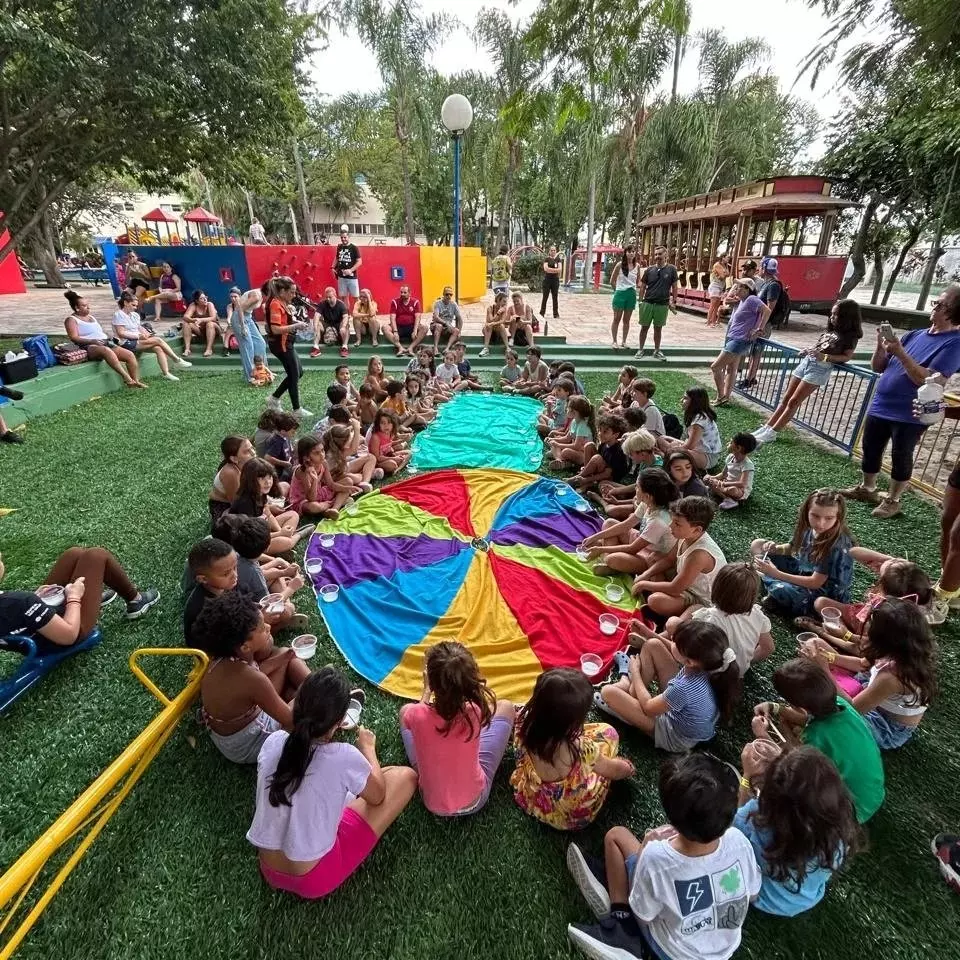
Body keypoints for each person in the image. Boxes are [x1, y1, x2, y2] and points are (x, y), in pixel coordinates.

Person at [566, 753, 759, 960]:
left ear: (671, 815)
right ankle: (615, 880)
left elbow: (643, 915)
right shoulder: (740, 842)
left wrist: (645, 849)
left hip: (671, 952)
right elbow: (753, 895)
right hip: (723, 951)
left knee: (616, 836)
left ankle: (621, 926)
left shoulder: (656, 857)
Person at [247, 668, 418, 899]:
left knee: (365, 782)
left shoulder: (274, 742)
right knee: (404, 777)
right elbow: (377, 796)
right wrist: (368, 749)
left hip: (270, 869)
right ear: (338, 722)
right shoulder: (342, 757)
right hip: (314, 878)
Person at [842, 284, 960, 519]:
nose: (934, 307)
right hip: (882, 404)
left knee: (901, 454)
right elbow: (879, 367)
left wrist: (900, 353)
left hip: (911, 412)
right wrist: (881, 346)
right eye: (935, 302)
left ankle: (893, 500)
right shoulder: (914, 334)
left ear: (953, 311)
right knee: (870, 449)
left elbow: (929, 380)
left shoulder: (954, 343)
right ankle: (868, 488)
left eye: (939, 304)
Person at [734, 746, 861, 916]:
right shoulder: (839, 831)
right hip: (805, 898)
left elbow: (731, 829)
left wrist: (747, 777)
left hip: (763, 896)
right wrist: (784, 761)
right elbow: (805, 793)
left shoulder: (757, 818)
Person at [756, 658, 885, 822]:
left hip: (850, 812)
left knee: (785, 788)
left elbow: (794, 758)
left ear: (801, 707)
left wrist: (765, 734)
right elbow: (805, 719)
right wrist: (775, 707)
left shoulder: (816, 736)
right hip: (874, 794)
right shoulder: (841, 704)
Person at [799, 597, 936, 750]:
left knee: (824, 720)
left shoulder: (891, 677)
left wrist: (824, 669)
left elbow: (851, 709)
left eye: (870, 631)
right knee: (816, 644)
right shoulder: (904, 650)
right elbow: (861, 664)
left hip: (884, 725)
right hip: (874, 694)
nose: (865, 635)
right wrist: (828, 657)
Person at [398, 642, 514, 817]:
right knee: (507, 707)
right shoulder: (476, 710)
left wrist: (426, 692)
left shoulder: (416, 714)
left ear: (430, 680)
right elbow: (490, 709)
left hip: (431, 802)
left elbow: (412, 715)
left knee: (404, 711)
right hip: (475, 801)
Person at [193, 591, 310, 763]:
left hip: (235, 728)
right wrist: (309, 691)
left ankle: (305, 687)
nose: (269, 628)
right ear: (245, 647)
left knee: (286, 654)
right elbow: (291, 721)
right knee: (311, 698)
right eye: (263, 628)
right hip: (250, 743)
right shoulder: (252, 679)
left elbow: (258, 671)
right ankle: (328, 691)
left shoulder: (222, 659)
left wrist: (284, 658)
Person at [510, 668, 634, 831]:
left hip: (531, 793)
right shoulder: (579, 748)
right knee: (609, 733)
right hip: (567, 813)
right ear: (569, 724)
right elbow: (613, 771)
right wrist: (627, 768)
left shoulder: (522, 720)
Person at [596, 621, 741, 750]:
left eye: (677, 642)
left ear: (689, 662)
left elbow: (648, 707)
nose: (671, 640)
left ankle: (625, 689)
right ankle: (629, 690)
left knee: (608, 692)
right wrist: (650, 633)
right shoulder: (712, 665)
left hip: (672, 734)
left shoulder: (683, 688)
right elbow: (675, 649)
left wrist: (635, 672)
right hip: (679, 711)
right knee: (653, 644)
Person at [0, 547, 158, 649]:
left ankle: (92, 597)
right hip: (59, 636)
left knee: (74, 554)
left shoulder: (19, 601)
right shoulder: (22, 601)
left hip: (30, 634)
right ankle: (136, 600)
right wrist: (74, 598)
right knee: (96, 555)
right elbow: (69, 635)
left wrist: (36, 600)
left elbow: (14, 615)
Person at [753, 299, 863, 444]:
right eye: (832, 314)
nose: (832, 317)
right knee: (786, 398)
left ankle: (773, 431)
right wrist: (809, 350)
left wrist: (824, 357)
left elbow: (846, 357)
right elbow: (821, 346)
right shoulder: (831, 330)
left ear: (847, 317)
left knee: (794, 401)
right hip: (808, 362)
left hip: (820, 368)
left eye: (836, 315)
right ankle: (767, 426)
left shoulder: (851, 336)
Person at [752, 488, 854, 617]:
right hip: (803, 571)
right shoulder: (806, 526)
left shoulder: (836, 545)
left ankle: (769, 581)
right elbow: (791, 547)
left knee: (780, 589)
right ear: (807, 512)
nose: (820, 523)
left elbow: (815, 582)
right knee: (758, 545)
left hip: (822, 593)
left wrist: (776, 573)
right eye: (815, 516)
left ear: (838, 517)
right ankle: (768, 580)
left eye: (829, 518)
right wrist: (776, 548)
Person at [631, 496, 727, 618]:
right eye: (672, 521)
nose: (671, 526)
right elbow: (669, 560)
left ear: (697, 530)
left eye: (677, 524)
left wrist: (644, 584)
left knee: (655, 600)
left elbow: (675, 588)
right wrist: (646, 575)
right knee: (654, 558)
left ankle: (668, 613)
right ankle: (664, 608)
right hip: (682, 583)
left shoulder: (699, 555)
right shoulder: (686, 536)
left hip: (699, 598)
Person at [583, 468, 678, 577]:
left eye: (637, 486)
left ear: (648, 496)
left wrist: (601, 549)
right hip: (640, 541)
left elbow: (633, 548)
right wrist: (594, 537)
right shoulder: (647, 503)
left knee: (613, 559)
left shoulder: (658, 521)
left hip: (651, 557)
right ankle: (610, 563)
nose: (635, 489)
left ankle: (610, 562)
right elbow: (626, 525)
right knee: (609, 523)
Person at [689, 562, 774, 675]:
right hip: (738, 672)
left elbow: (691, 651)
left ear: (717, 587)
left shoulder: (708, 619)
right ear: (752, 595)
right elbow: (768, 647)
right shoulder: (758, 615)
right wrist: (747, 662)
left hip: (710, 677)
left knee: (674, 623)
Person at [229, 458, 312, 555]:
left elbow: (269, 515)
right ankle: (298, 535)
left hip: (261, 530)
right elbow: (252, 536)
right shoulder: (245, 503)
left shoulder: (260, 493)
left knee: (293, 514)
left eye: (269, 477)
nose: (267, 482)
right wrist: (280, 534)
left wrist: (280, 530)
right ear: (249, 480)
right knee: (287, 542)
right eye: (261, 478)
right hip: (250, 544)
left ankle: (285, 538)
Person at [63, 291, 146, 388]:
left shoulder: (91, 317)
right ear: (77, 308)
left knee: (129, 355)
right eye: (84, 306)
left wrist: (110, 336)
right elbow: (74, 337)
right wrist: (92, 341)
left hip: (104, 343)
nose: (88, 307)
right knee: (107, 351)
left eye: (88, 305)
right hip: (89, 346)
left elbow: (100, 331)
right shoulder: (71, 320)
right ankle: (127, 379)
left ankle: (136, 381)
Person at [709, 277, 771, 405]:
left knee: (715, 367)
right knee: (731, 369)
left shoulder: (751, 299)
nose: (737, 288)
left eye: (740, 286)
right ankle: (725, 396)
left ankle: (721, 396)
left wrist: (759, 328)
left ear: (748, 289)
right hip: (735, 337)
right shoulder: (742, 301)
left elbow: (767, 310)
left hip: (740, 340)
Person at [112, 290, 191, 381]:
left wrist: (145, 332)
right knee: (158, 340)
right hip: (126, 342)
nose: (135, 308)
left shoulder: (134, 315)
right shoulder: (119, 315)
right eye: (133, 305)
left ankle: (166, 373)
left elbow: (138, 327)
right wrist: (138, 336)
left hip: (137, 341)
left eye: (136, 306)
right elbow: (121, 333)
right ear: (125, 303)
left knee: (158, 348)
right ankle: (177, 360)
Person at [264, 276, 312, 419]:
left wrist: (298, 322)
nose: (294, 295)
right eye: (291, 292)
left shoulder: (282, 302)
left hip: (287, 343)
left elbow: (286, 320)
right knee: (293, 374)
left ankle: (274, 398)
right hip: (281, 345)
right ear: (283, 291)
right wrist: (296, 325)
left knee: (298, 372)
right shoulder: (275, 304)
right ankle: (296, 409)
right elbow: (276, 329)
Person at [737, 256, 784, 389]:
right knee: (753, 350)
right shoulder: (765, 283)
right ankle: (750, 377)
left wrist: (760, 327)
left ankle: (750, 379)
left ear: (764, 268)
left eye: (761, 267)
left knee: (757, 352)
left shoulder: (773, 285)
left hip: (763, 325)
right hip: (758, 323)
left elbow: (770, 307)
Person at [657, 387, 722, 471]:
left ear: (694, 401)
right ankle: (667, 454)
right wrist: (676, 446)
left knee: (674, 450)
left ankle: (664, 456)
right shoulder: (698, 415)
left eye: (685, 398)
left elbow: (689, 446)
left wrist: (674, 448)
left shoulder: (698, 422)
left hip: (707, 457)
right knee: (661, 438)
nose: (681, 400)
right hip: (697, 450)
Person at [634, 246, 678, 361]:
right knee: (644, 327)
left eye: (659, 254)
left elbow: (674, 286)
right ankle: (640, 349)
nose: (657, 257)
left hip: (662, 304)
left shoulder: (672, 269)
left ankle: (657, 350)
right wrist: (640, 301)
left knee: (658, 329)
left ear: (665, 255)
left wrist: (674, 301)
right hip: (648, 302)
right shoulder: (649, 270)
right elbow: (643, 285)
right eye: (656, 254)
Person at [289, 435, 347, 518]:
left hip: (318, 493)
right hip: (304, 501)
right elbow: (311, 499)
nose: (322, 455)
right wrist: (315, 480)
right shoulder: (303, 471)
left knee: (347, 482)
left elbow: (331, 484)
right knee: (315, 507)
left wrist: (348, 488)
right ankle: (336, 502)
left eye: (322, 450)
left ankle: (334, 509)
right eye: (316, 453)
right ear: (306, 457)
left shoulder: (324, 463)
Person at [570, 413, 630, 491]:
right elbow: (597, 463)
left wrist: (587, 479)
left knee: (597, 458)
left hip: (611, 478)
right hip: (602, 470)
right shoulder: (604, 444)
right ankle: (585, 477)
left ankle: (579, 478)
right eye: (600, 430)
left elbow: (608, 473)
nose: (600, 434)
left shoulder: (618, 451)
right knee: (589, 445)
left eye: (605, 432)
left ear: (616, 435)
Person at [209, 435, 256, 529]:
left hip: (243, 500)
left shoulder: (248, 464)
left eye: (252, 448)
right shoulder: (230, 473)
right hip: (223, 506)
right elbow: (237, 505)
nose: (253, 453)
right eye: (247, 451)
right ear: (234, 459)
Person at [225, 286, 269, 383]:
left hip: (248, 318)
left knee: (261, 343)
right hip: (238, 318)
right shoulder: (256, 295)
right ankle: (250, 377)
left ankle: (263, 371)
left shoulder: (260, 295)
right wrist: (242, 326)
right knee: (247, 346)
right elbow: (239, 308)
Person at [704, 432, 757, 510]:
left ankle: (721, 493)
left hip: (740, 490)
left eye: (731, 442)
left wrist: (723, 484)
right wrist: (712, 477)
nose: (728, 443)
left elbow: (742, 484)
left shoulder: (747, 465)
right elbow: (723, 474)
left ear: (738, 448)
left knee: (732, 490)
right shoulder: (730, 457)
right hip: (726, 483)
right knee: (707, 479)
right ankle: (727, 498)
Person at [548, 397, 595, 470]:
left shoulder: (582, 426)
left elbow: (577, 446)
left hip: (583, 455)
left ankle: (562, 460)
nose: (566, 409)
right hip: (576, 450)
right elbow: (567, 438)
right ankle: (560, 460)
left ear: (574, 412)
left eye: (568, 408)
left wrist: (558, 444)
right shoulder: (574, 421)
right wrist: (553, 440)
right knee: (557, 439)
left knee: (566, 451)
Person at [609, 245, 640, 350]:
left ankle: (624, 341)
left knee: (627, 320)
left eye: (633, 251)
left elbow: (638, 281)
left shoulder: (637, 266)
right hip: (620, 293)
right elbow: (612, 281)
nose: (631, 253)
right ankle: (614, 341)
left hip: (631, 294)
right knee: (616, 319)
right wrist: (617, 291)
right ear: (625, 253)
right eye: (629, 251)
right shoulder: (619, 265)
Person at [383, 285, 425, 356]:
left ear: (409, 293)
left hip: (411, 327)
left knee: (424, 328)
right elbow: (392, 318)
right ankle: (400, 348)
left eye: (405, 292)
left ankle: (411, 348)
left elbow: (418, 317)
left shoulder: (415, 302)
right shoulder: (395, 302)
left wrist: (415, 331)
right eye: (401, 292)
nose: (402, 294)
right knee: (385, 328)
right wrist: (395, 331)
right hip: (399, 327)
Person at [310, 286, 351, 359]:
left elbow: (345, 317)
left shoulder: (341, 304)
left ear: (335, 295)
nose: (328, 299)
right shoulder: (322, 303)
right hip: (327, 324)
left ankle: (344, 347)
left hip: (338, 325)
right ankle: (316, 347)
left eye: (330, 297)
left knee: (346, 324)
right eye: (326, 297)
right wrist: (315, 326)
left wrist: (343, 327)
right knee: (317, 324)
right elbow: (316, 315)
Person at [181, 290, 224, 357]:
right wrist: (193, 320)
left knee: (210, 323)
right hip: (201, 331)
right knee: (186, 323)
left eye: (205, 297)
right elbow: (185, 317)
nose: (205, 299)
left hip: (215, 329)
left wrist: (201, 320)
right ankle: (187, 349)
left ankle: (209, 349)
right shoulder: (193, 305)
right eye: (202, 298)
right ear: (197, 301)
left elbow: (213, 318)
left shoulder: (210, 304)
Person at [369, 409, 410, 475]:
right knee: (392, 464)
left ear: (393, 423)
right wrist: (394, 458)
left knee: (410, 453)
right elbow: (377, 458)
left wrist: (402, 440)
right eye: (383, 423)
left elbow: (388, 444)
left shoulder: (391, 433)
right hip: (378, 462)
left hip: (388, 455)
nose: (386, 425)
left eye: (389, 422)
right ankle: (397, 467)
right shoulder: (376, 437)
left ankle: (397, 469)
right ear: (378, 424)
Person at [332, 225, 362, 311]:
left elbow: (359, 261)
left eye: (345, 237)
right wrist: (332, 267)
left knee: (356, 297)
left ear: (348, 237)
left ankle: (358, 316)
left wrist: (351, 270)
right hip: (341, 277)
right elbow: (337, 258)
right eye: (342, 238)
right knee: (343, 297)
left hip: (352, 277)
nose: (343, 239)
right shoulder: (339, 247)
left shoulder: (354, 247)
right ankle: (346, 315)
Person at [430, 286, 462, 351]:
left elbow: (460, 318)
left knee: (456, 331)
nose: (449, 296)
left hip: (447, 328)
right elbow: (436, 317)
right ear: (443, 294)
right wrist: (446, 323)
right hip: (436, 325)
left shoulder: (454, 304)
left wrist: (459, 331)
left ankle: (447, 348)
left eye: (451, 294)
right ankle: (435, 348)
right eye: (447, 294)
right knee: (439, 326)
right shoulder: (438, 303)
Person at [479, 292, 510, 357]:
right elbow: (490, 320)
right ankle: (486, 349)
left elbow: (502, 321)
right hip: (488, 331)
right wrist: (498, 313)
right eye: (504, 301)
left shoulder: (504, 309)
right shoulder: (490, 308)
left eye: (506, 302)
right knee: (488, 326)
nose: (505, 303)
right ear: (498, 300)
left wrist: (494, 323)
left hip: (498, 332)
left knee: (501, 325)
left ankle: (507, 348)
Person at [706, 254, 730, 327]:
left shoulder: (725, 266)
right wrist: (725, 273)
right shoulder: (717, 265)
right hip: (715, 286)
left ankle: (713, 322)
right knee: (713, 305)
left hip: (720, 287)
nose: (728, 259)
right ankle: (708, 322)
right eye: (727, 257)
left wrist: (725, 272)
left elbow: (727, 274)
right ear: (723, 258)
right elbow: (722, 276)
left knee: (716, 306)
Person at [540, 243, 562, 320]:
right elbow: (545, 269)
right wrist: (554, 270)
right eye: (551, 250)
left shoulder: (558, 259)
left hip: (555, 281)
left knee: (555, 297)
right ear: (549, 251)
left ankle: (555, 314)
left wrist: (550, 270)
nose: (553, 251)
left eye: (554, 250)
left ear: (556, 251)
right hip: (547, 280)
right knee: (545, 297)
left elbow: (560, 269)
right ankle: (542, 313)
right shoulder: (546, 259)